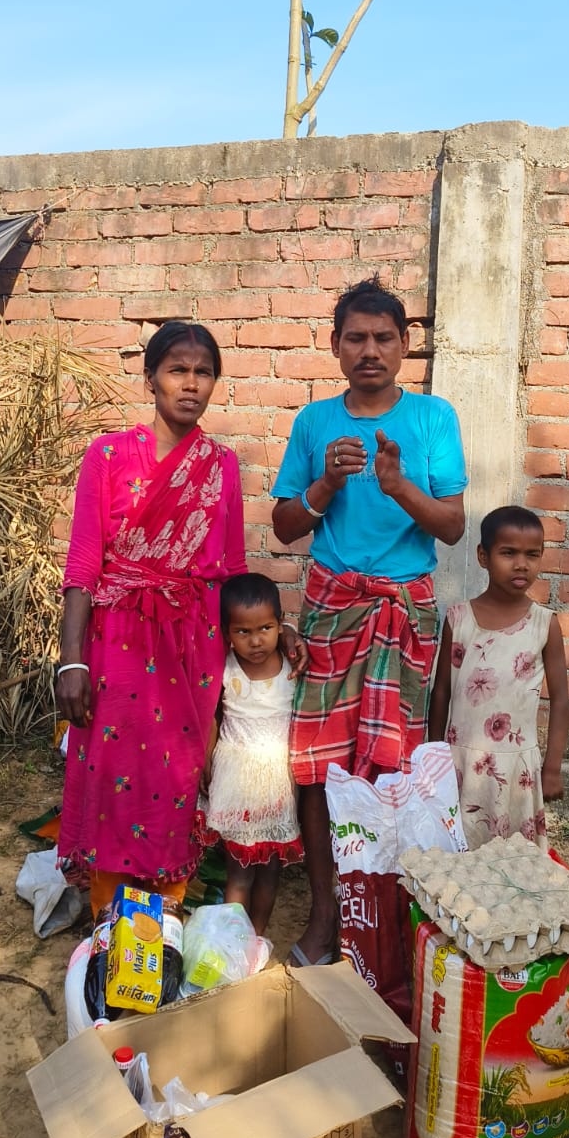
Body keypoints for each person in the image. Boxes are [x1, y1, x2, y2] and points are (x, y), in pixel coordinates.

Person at [54, 321, 303, 916]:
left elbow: (233, 569)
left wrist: (272, 635)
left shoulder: (221, 465)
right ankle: (110, 919)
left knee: (178, 774)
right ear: (151, 379)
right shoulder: (108, 456)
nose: (191, 384)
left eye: (203, 373)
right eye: (177, 371)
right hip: (118, 638)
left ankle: (161, 914)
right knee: (116, 771)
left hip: (194, 643)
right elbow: (84, 563)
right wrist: (72, 661)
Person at [272, 276, 467, 965]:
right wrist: (326, 483)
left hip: (404, 613)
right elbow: (285, 525)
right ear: (335, 346)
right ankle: (327, 914)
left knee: (393, 765)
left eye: (384, 337)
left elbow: (452, 527)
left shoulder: (433, 418)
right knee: (318, 764)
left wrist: (397, 485)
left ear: (406, 345)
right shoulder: (314, 422)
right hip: (331, 610)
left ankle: (381, 913)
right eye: (355, 337)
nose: (370, 350)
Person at [428, 504, 569, 850]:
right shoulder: (458, 619)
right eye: (508, 553)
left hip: (517, 765)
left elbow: (561, 700)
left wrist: (552, 768)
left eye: (532, 555)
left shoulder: (544, 624)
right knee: (458, 854)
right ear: (483, 556)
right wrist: (434, 756)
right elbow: (441, 691)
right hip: (462, 763)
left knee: (514, 858)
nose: (521, 564)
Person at [199, 572, 303, 935]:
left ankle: (255, 938)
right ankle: (232, 941)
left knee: (270, 873)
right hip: (236, 783)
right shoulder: (225, 667)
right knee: (239, 875)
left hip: (278, 787)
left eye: (266, 628)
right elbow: (214, 717)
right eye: (243, 631)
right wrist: (206, 759)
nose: (256, 640)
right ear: (227, 632)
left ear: (280, 624)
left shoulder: (292, 665)